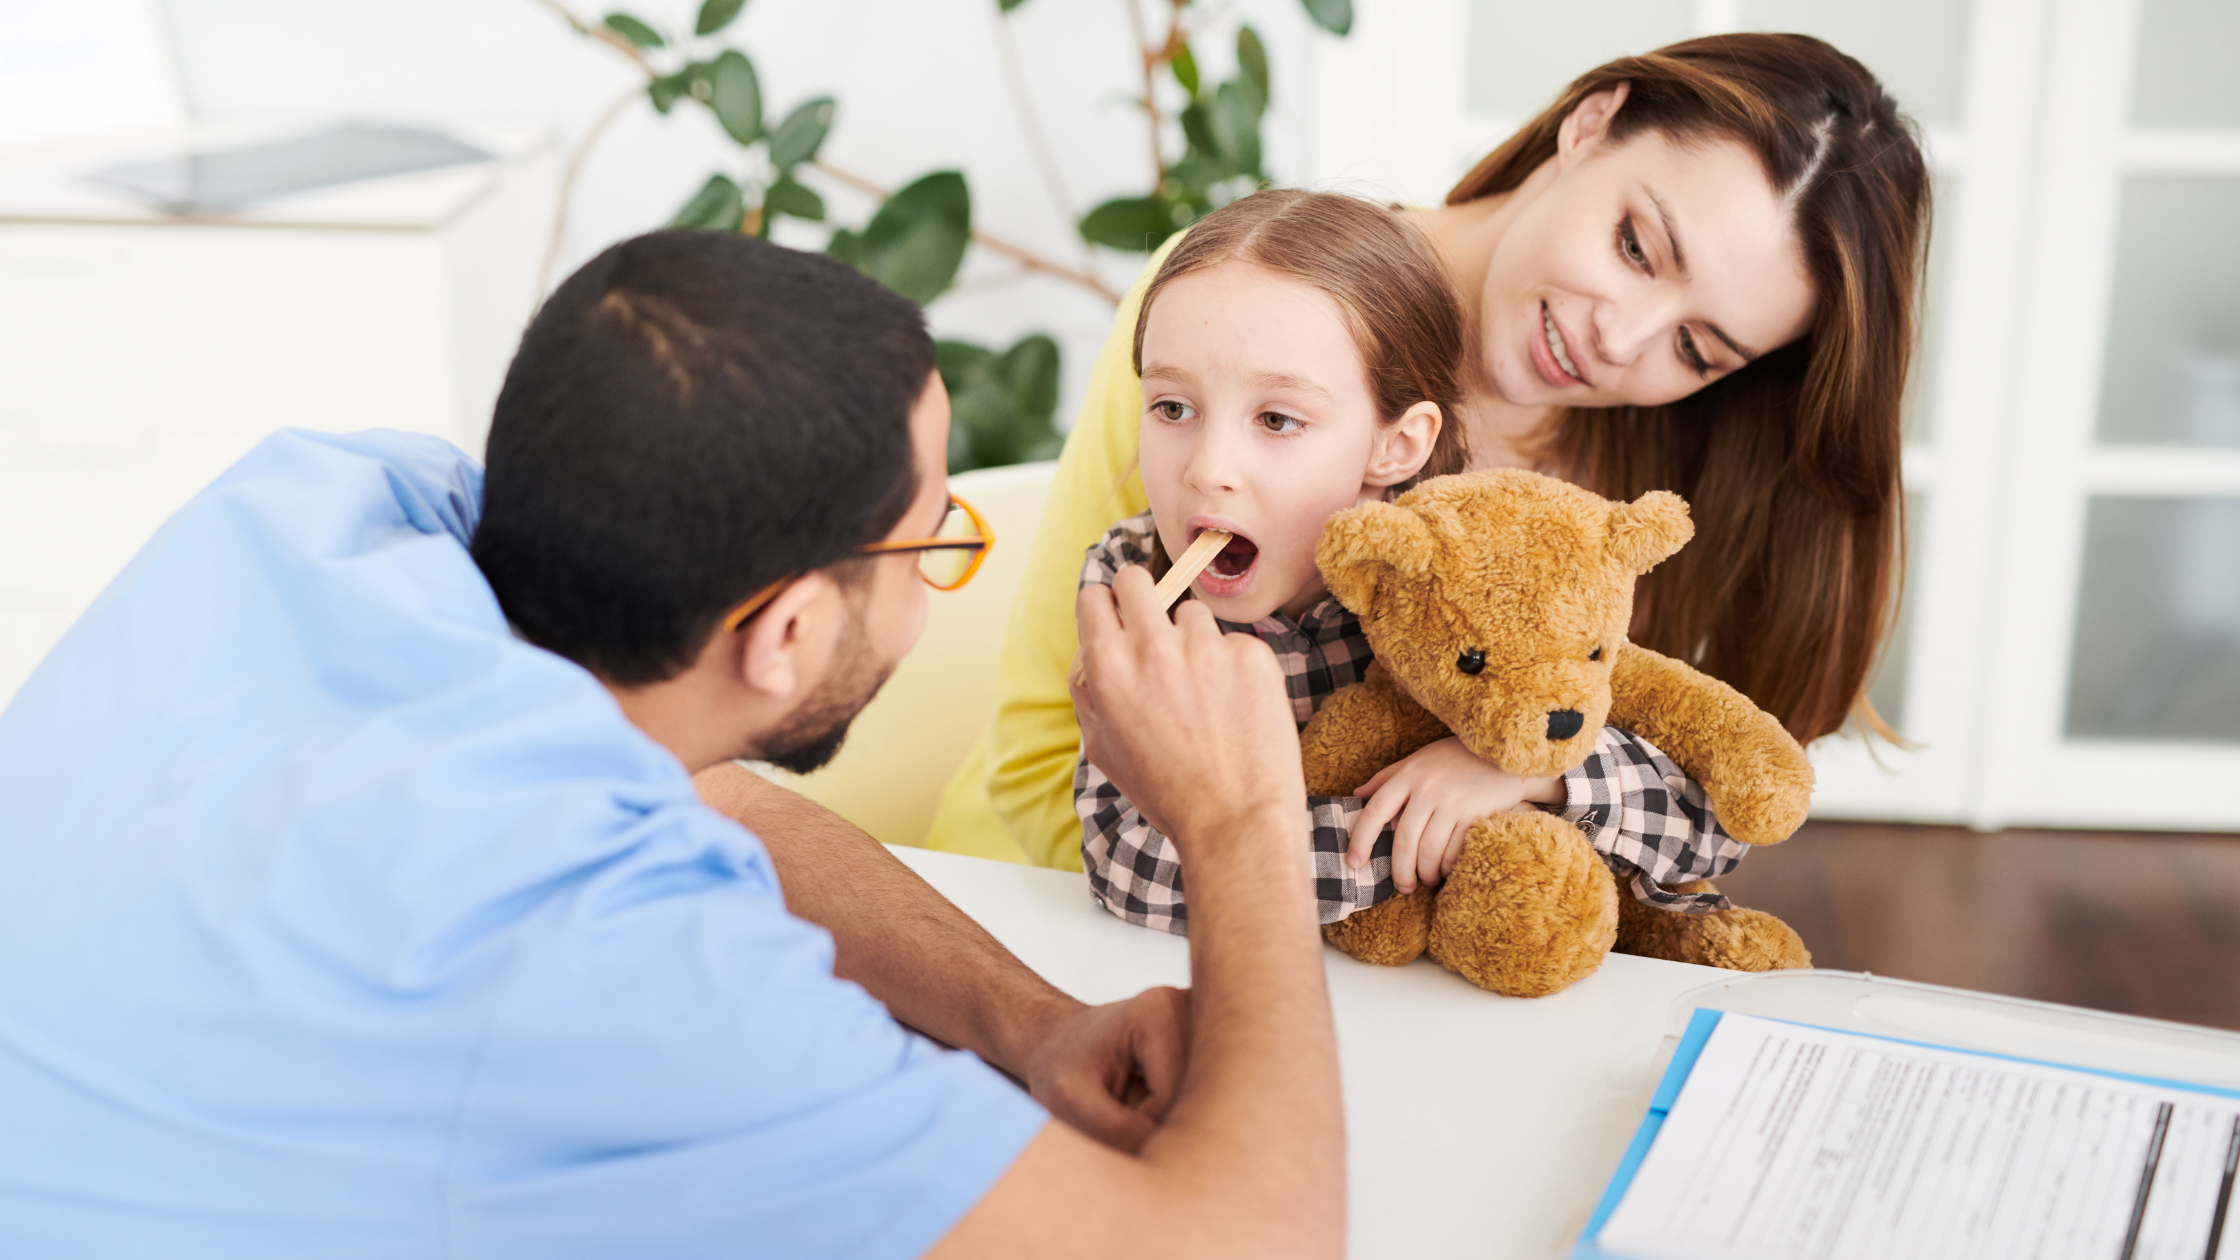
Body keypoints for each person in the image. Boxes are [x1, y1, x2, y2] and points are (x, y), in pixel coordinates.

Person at [0, 231, 1343, 1258]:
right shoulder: (638, 978)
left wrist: (1032, 1024)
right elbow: (1243, 1243)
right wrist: (1241, 825)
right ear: (788, 632)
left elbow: (696, 804)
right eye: (932, 542)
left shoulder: (340, 505)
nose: (941, 586)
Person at [928, 32, 1932, 872]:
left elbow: (1695, 797)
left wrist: (1540, 768)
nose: (1616, 341)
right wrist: (1282, 934)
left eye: (1693, 348)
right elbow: (1036, 758)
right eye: (1633, 245)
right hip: (1057, 909)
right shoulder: (1246, 306)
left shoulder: (1643, 474)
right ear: (1589, 124)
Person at [1074, 188, 1750, 933]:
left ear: (1395, 446)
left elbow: (1714, 823)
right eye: (1173, 407)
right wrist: (1415, 837)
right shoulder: (1130, 583)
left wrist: (1526, 773)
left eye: (1276, 419)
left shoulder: (1476, 569)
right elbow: (1129, 867)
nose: (1209, 469)